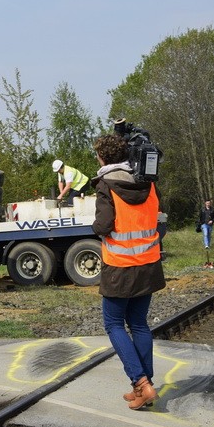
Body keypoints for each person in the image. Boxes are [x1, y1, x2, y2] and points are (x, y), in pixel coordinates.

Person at [91, 134, 165, 410]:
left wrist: (95, 228)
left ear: (102, 157)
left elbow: (104, 225)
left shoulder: (105, 185)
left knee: (113, 324)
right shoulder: (149, 183)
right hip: (148, 264)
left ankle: (140, 383)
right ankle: (145, 386)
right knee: (139, 324)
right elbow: (159, 219)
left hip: (120, 267)